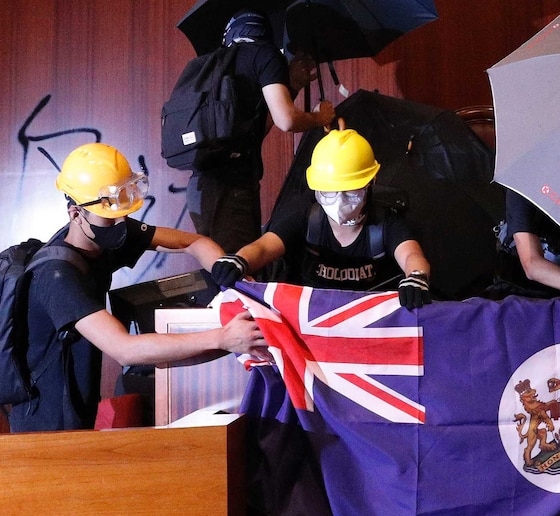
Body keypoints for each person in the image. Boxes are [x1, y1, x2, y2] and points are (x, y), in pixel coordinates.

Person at [5, 143, 269, 432]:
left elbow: (195, 243)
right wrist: (223, 338)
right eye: (110, 213)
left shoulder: (104, 233)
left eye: (123, 210)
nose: (121, 222)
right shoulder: (57, 277)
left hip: (77, 408)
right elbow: (124, 349)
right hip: (43, 424)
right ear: (75, 214)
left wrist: (233, 279)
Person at [210, 128, 433, 310]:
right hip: (310, 317)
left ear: (370, 183)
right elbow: (264, 247)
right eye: (329, 191)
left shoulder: (386, 221)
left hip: (367, 319)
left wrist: (416, 277)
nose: (339, 200)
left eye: (351, 190)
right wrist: (240, 260)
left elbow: (411, 254)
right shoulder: (305, 215)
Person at [186, 11, 336, 253]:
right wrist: (320, 117)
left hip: (201, 188)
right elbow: (286, 120)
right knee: (239, 270)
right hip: (232, 188)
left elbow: (254, 132)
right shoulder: (265, 53)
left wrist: (294, 85)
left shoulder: (216, 62)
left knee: (221, 266)